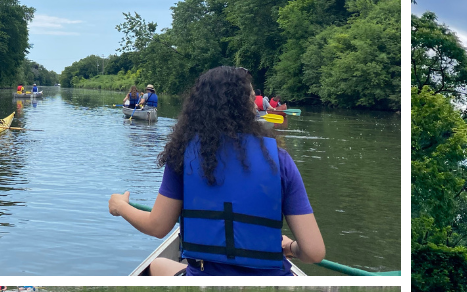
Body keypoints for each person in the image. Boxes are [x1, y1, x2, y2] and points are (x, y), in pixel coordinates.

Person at [108, 65, 326, 276]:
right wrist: (290, 248)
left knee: (156, 265)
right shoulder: (279, 160)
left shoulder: (182, 156)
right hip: (271, 285)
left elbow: (157, 227)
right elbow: (314, 252)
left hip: (206, 282)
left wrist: (121, 207)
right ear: (248, 108)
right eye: (252, 101)